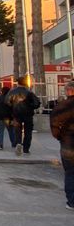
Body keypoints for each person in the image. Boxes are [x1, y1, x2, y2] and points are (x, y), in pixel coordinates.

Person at [50, 81, 74, 211]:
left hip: (67, 142)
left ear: (67, 91)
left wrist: (60, 137)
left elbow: (54, 125)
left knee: (70, 172)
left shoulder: (61, 106)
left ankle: (71, 201)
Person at [5, 76, 40, 155]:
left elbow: (7, 102)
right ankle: (26, 148)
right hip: (28, 114)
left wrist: (12, 109)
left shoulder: (12, 92)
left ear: (18, 83)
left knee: (17, 130)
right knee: (28, 132)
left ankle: (18, 143)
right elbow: (36, 103)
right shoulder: (29, 92)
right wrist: (30, 106)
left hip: (16, 114)